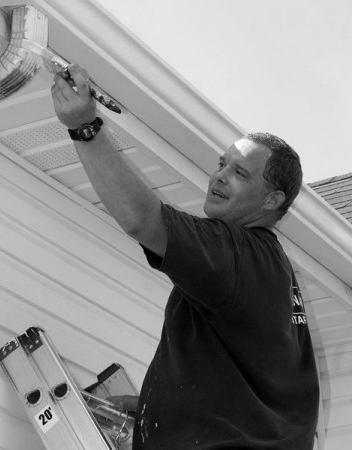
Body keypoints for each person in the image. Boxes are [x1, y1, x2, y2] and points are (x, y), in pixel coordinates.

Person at [51, 65, 319, 449]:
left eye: (239, 172)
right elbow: (247, 394)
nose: (219, 176)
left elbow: (143, 220)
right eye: (220, 164)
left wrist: (83, 126)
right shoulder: (268, 270)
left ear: (273, 200)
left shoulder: (237, 254)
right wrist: (152, 407)